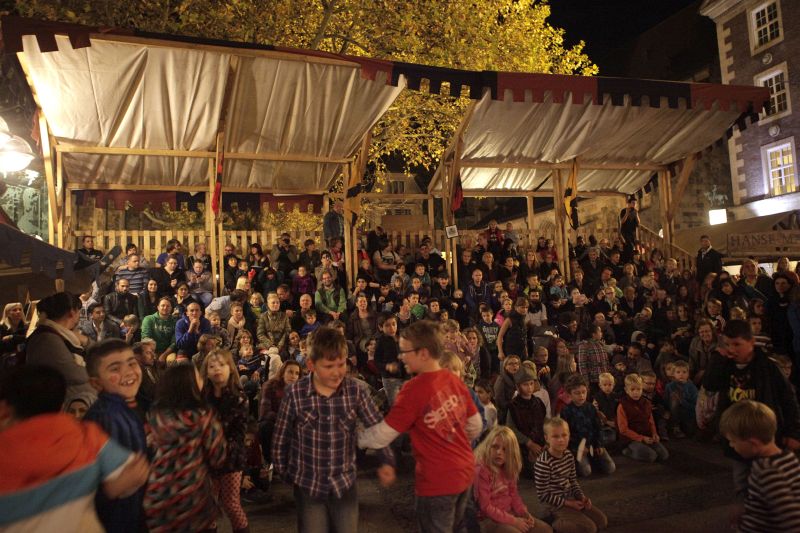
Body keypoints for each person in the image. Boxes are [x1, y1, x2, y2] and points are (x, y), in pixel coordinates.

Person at [359, 320, 482, 532]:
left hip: (437, 481)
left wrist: (357, 437)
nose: (401, 356)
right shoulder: (452, 379)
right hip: (465, 472)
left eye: (405, 351)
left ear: (423, 353)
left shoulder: (412, 390)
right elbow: (476, 424)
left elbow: (383, 435)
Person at [273, 327, 395, 533]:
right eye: (329, 366)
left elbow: (375, 425)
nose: (337, 372)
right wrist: (284, 471)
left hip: (344, 484)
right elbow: (281, 436)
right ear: (311, 365)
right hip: (308, 485)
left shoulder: (355, 390)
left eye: (341, 364)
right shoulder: (295, 393)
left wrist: (387, 460)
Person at [0, 365, 149, 532]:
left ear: (4, 410)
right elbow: (135, 474)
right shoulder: (87, 435)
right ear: (61, 404)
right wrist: (103, 491)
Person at [705, 319, 800, 495]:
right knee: (743, 484)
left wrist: (793, 432)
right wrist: (717, 358)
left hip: (763, 436)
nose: (732, 349)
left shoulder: (768, 367)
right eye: (728, 344)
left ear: (751, 342)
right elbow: (710, 384)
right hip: (738, 438)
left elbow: (788, 399)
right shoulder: (725, 365)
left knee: (771, 483)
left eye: (737, 344)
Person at [144, 363, 227, 532]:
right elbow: (217, 457)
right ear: (190, 384)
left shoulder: (156, 415)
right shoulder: (203, 416)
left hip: (158, 494)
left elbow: (148, 447)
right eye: (198, 376)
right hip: (192, 495)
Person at [83, 339, 148, 532]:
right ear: (96, 383)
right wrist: (111, 490)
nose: (128, 372)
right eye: (115, 368)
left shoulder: (126, 409)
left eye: (131, 363)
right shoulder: (107, 417)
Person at [719, 400, 800, 532]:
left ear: (753, 443)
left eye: (733, 441)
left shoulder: (766, 471)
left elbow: (792, 519)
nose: (731, 445)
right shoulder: (788, 457)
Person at [201, 349, 250, 533]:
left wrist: (220, 448)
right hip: (206, 458)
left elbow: (239, 433)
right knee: (207, 505)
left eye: (221, 365)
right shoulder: (202, 397)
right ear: (206, 371)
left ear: (230, 368)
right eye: (212, 366)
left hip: (231, 458)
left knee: (231, 503)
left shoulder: (239, 398)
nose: (217, 369)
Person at [535, 417, 608, 533]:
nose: (561, 440)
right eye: (555, 436)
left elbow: (573, 481)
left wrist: (581, 497)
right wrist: (568, 504)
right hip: (553, 505)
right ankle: (553, 523)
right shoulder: (543, 462)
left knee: (602, 521)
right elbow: (543, 495)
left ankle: (571, 518)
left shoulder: (568, 455)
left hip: (570, 499)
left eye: (564, 435)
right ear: (546, 438)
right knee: (590, 528)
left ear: (569, 435)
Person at [473, 426, 553, 533]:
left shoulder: (509, 468)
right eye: (495, 447)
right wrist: (514, 521)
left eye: (505, 449)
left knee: (546, 530)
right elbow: (486, 507)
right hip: (488, 519)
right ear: (488, 446)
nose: (499, 452)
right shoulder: (482, 470)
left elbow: (514, 495)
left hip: (509, 513)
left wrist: (524, 513)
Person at [27, 292, 97, 402]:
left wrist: (86, 341)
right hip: (62, 401)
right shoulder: (47, 339)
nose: (79, 315)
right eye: (79, 311)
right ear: (72, 312)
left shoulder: (63, 334)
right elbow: (73, 373)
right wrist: (99, 373)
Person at [560, 374, 615, 477]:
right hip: (577, 446)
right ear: (570, 394)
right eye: (577, 393)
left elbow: (598, 428)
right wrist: (579, 447)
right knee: (586, 472)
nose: (581, 396)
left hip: (593, 444)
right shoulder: (566, 411)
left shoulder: (591, 408)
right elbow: (566, 434)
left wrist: (598, 444)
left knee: (610, 468)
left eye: (583, 392)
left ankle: (592, 459)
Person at [617, 373, 669, 463]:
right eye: (632, 389)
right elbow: (623, 429)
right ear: (626, 390)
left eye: (638, 389)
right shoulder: (622, 406)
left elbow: (651, 421)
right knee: (651, 456)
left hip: (646, 435)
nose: (636, 392)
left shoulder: (646, 403)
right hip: (631, 438)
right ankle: (627, 451)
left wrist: (654, 434)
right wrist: (641, 438)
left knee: (664, 455)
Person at [506, 366, 548, 478]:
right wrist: (528, 443)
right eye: (525, 385)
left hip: (540, 443)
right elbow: (511, 429)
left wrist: (546, 441)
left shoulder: (538, 402)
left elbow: (544, 423)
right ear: (518, 386)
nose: (529, 387)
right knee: (538, 471)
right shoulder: (513, 406)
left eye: (531, 383)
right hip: (523, 446)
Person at [662, 360, 697, 438]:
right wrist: (666, 410)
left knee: (690, 432)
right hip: (673, 412)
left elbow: (695, 406)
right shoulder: (669, 386)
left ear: (688, 373)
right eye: (678, 372)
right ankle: (675, 426)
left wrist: (682, 401)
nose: (681, 374)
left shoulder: (692, 387)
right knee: (674, 397)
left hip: (687, 413)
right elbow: (665, 401)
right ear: (673, 374)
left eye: (684, 372)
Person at [140, 297, 178, 364]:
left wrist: (164, 355)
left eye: (168, 306)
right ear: (158, 307)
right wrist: (153, 353)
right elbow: (145, 338)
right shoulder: (148, 319)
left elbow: (174, 342)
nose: (165, 308)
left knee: (172, 360)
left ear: (171, 308)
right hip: (151, 350)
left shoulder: (175, 321)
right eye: (163, 305)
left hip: (168, 351)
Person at [619, 196, 639, 262]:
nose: (634, 204)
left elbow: (638, 223)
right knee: (628, 247)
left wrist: (637, 214)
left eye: (635, 203)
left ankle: (631, 261)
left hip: (632, 233)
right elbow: (622, 221)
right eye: (633, 203)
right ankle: (628, 261)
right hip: (625, 233)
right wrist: (627, 213)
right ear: (629, 203)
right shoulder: (623, 211)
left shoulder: (635, 211)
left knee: (632, 247)